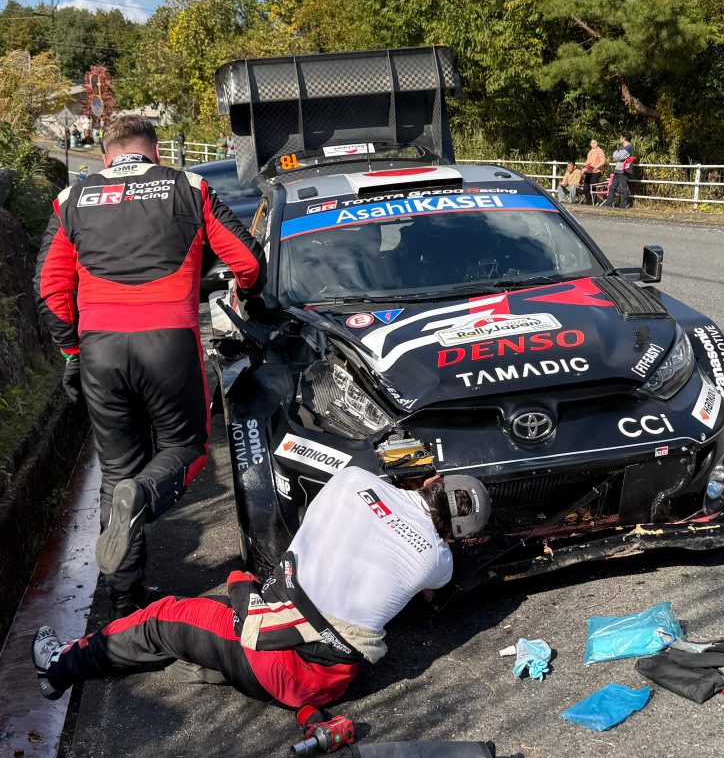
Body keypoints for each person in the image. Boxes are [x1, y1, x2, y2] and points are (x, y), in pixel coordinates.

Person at [33, 115, 266, 618]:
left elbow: (50, 290)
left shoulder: (71, 198)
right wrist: (250, 296)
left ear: (106, 155)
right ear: (155, 152)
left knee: (116, 472)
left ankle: (125, 605)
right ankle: (142, 495)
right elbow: (247, 261)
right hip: (168, 342)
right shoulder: (189, 186)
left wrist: (71, 354)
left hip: (99, 349)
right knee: (187, 449)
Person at [31, 467, 491, 707]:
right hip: (330, 684)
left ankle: (56, 668)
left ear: (432, 480)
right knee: (219, 618)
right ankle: (209, 663)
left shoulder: (355, 480)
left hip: (276, 663)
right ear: (456, 535)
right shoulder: (439, 562)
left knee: (160, 618)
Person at [604, 134, 635, 209]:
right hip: (617, 169)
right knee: (612, 187)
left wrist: (618, 155)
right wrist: (618, 155)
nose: (619, 139)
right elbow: (614, 155)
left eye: (620, 138)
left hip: (624, 170)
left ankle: (623, 205)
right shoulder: (621, 146)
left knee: (623, 188)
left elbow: (620, 156)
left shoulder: (629, 147)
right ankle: (608, 204)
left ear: (624, 138)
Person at [580, 138, 606, 204]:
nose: (593, 144)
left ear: (597, 143)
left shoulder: (600, 151)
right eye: (592, 143)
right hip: (589, 171)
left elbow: (603, 161)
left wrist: (596, 167)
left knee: (592, 186)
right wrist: (584, 166)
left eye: (595, 143)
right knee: (585, 187)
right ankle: (589, 201)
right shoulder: (590, 152)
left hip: (596, 172)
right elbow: (588, 161)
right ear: (590, 144)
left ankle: (593, 202)